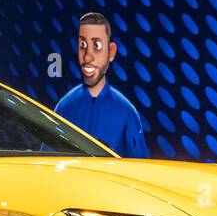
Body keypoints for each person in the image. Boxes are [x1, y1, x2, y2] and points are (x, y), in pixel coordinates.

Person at [54, 12, 149, 158]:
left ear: (111, 51)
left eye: (96, 45)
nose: (87, 56)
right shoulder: (64, 107)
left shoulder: (126, 112)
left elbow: (140, 170)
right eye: (82, 45)